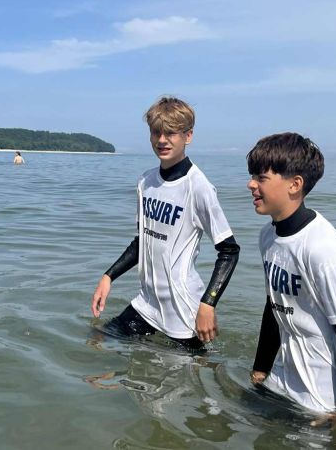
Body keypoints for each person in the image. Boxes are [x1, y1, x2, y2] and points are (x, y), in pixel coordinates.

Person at [91, 96, 240, 351]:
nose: (162, 140)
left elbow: (229, 250)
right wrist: (108, 276)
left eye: (170, 133)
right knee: (96, 341)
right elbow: (143, 241)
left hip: (182, 309)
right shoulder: (146, 182)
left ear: (188, 136)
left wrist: (208, 304)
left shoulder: (198, 187)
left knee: (188, 371)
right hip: (147, 304)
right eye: (156, 132)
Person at [247, 132, 336, 417]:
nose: (251, 184)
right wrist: (260, 369)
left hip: (323, 396)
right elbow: (274, 305)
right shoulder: (268, 236)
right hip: (282, 378)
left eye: (261, 178)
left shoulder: (322, 250)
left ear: (295, 184)